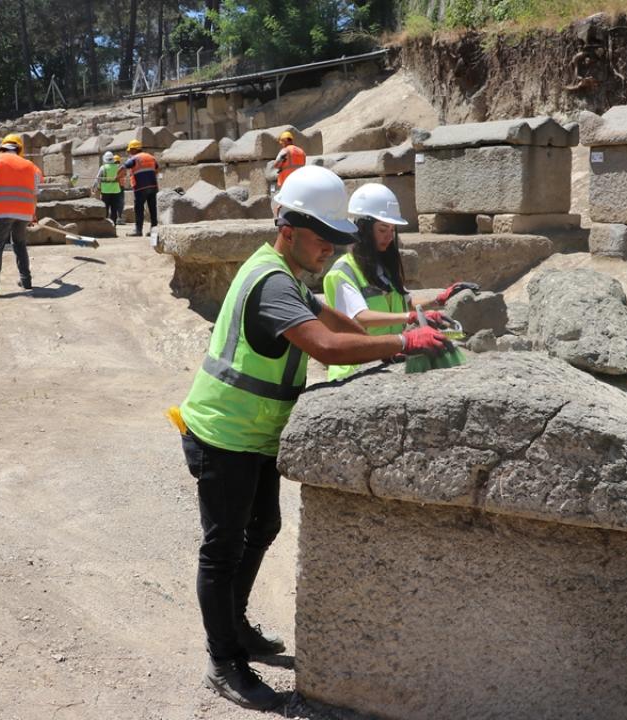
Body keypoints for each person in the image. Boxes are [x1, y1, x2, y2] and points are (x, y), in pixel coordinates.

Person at [177, 165, 448, 711]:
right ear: (288, 227)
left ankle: (235, 626)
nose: (329, 250)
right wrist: (401, 345)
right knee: (222, 549)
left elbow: (332, 318)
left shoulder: (291, 272)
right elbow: (323, 344)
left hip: (254, 434)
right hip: (224, 432)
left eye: (335, 241)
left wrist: (409, 327)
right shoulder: (273, 280)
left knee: (263, 525)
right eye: (322, 239)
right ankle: (224, 660)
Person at [321, 182, 457, 380]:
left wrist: (438, 301)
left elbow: (406, 303)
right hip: (354, 369)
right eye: (383, 230)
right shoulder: (344, 271)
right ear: (363, 229)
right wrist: (408, 319)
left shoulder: (383, 266)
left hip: (385, 360)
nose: (389, 237)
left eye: (392, 230)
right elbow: (360, 316)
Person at [0, 133, 43, 294]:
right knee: (19, 244)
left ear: (3, 147)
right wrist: (32, 214)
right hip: (24, 213)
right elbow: (34, 194)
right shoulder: (30, 166)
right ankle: (26, 281)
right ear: (19, 149)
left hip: (3, 211)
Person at [122, 140, 158, 236]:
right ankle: (154, 230)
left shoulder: (135, 158)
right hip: (153, 186)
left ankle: (138, 231)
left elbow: (123, 167)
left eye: (130, 150)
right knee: (152, 209)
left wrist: (117, 176)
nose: (129, 152)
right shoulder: (151, 157)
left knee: (139, 209)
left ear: (134, 149)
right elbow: (157, 169)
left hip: (140, 188)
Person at [95, 152, 126, 224]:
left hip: (106, 191)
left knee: (105, 208)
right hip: (116, 191)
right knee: (114, 209)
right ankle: (113, 224)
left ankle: (106, 224)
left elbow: (98, 179)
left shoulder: (103, 167)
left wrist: (98, 188)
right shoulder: (117, 167)